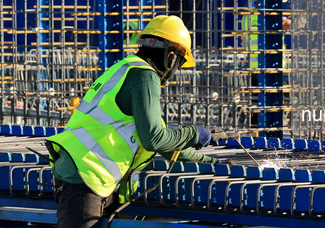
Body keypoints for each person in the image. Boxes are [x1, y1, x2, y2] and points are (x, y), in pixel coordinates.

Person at [45, 15, 233, 227]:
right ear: (171, 55)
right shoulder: (144, 76)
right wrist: (195, 133)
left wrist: (213, 163)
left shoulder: (126, 68)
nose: (175, 70)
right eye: (179, 62)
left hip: (89, 177)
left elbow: (166, 145)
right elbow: (154, 138)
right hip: (84, 176)